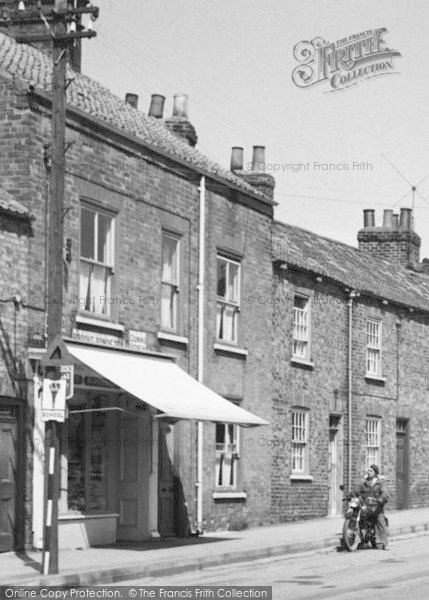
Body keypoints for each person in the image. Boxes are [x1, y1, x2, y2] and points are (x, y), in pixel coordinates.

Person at [357, 464, 389, 549]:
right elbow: (357, 490)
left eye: (370, 470)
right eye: (368, 470)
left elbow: (385, 492)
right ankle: (364, 540)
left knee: (380, 521)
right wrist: (351, 495)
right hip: (366, 507)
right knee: (361, 520)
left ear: (375, 473)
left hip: (376, 507)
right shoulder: (364, 482)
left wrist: (381, 498)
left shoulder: (380, 483)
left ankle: (382, 542)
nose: (368, 472)